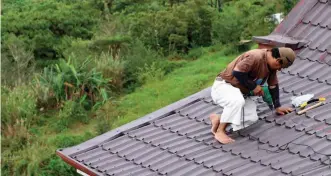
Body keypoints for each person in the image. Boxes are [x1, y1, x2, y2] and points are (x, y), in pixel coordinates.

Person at [209, 47, 295, 144]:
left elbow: (273, 85)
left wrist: (278, 107)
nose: (279, 69)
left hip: (238, 92)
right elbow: (237, 72)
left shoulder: (271, 67)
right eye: (280, 67)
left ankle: (219, 118)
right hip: (223, 86)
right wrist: (254, 86)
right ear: (278, 60)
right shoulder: (256, 56)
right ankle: (220, 131)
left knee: (251, 118)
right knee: (237, 101)